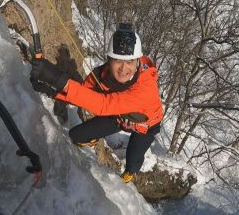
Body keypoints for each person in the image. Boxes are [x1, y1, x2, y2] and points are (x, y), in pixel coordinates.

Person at [30, 23, 163, 183]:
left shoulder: (146, 87)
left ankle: (129, 173)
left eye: (129, 62)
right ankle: (92, 140)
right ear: (109, 60)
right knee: (76, 136)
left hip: (145, 126)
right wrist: (51, 90)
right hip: (119, 117)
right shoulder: (101, 75)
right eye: (117, 60)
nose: (123, 68)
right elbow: (82, 93)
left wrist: (55, 77)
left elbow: (103, 105)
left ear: (137, 63)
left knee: (134, 157)